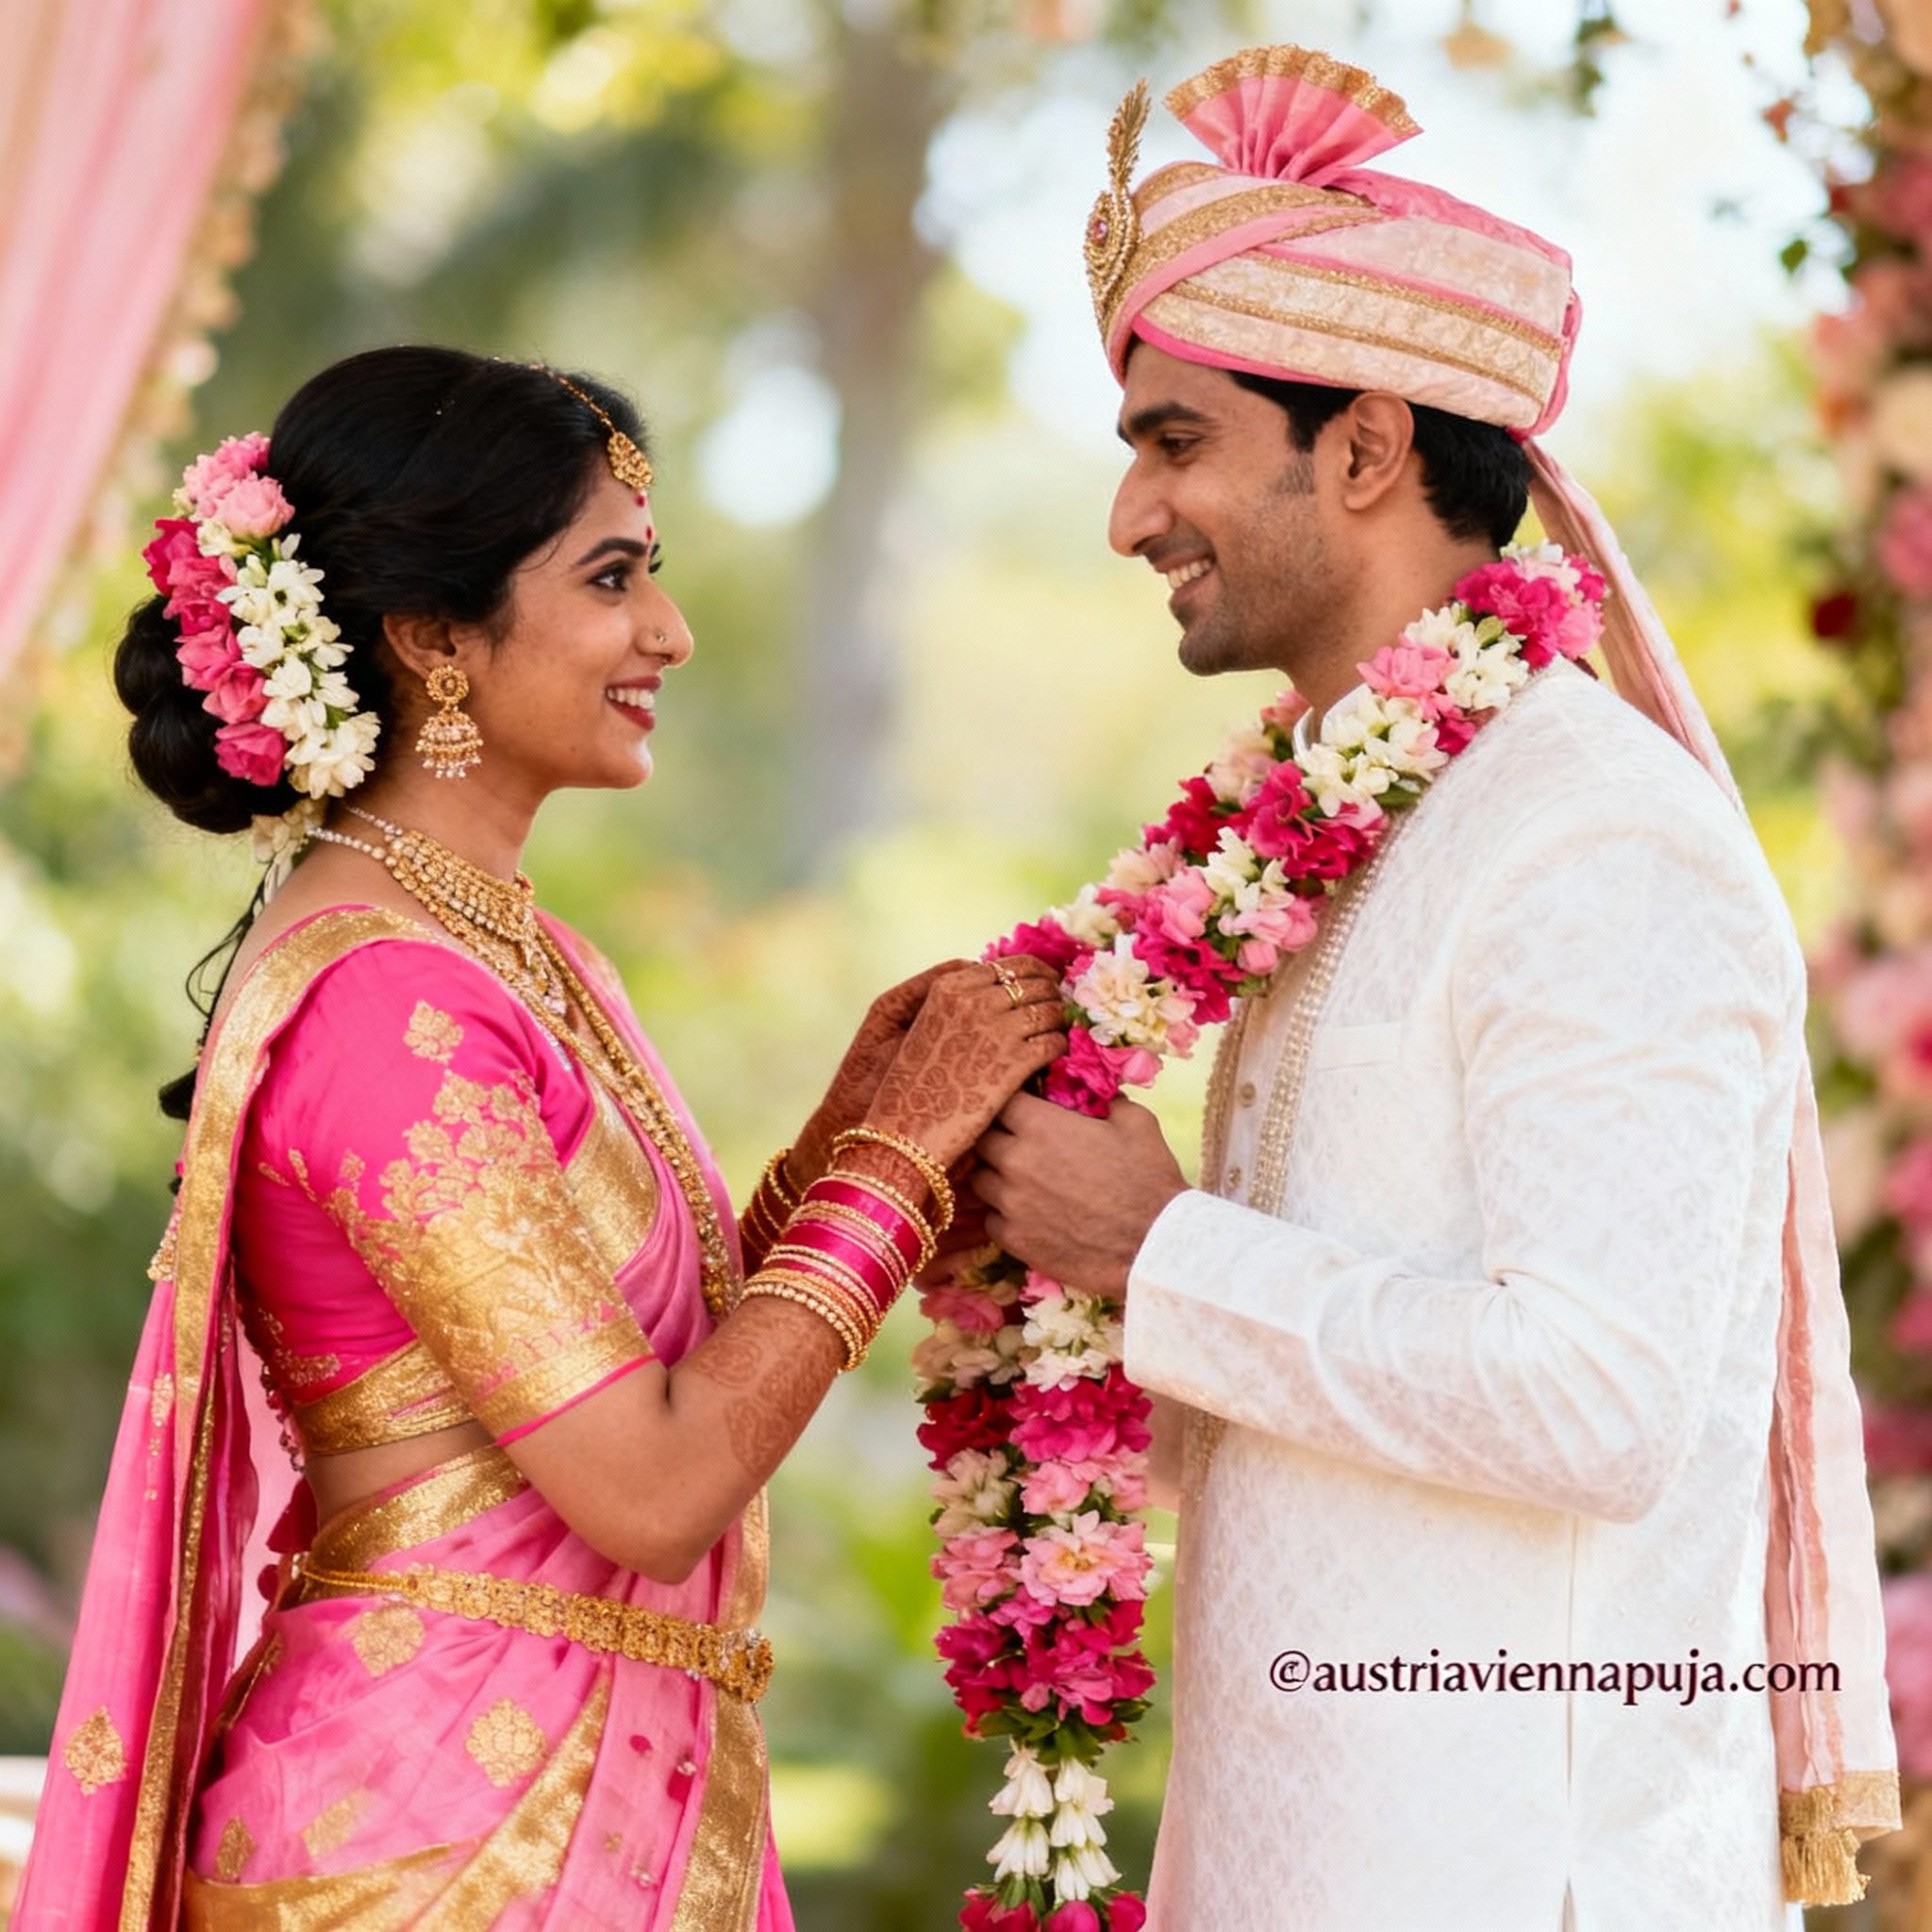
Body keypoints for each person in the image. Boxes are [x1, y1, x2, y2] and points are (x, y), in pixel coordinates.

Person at [970, 44, 1901, 1930]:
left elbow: (1594, 1400)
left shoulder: (1591, 841)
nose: (1129, 517)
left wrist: (1160, 1253)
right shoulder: (1339, 831)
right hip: (1300, 1848)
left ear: (1368, 449)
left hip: (1503, 1867)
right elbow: (1316, 1399)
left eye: (1171, 440)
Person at [12, 345, 1068, 1930]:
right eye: (613, 578)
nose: (670, 633)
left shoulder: (516, 953)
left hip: (564, 1791)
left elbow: (656, 1368)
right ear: (436, 636)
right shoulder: (384, 999)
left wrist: (851, 1138)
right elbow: (647, 1487)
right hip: (437, 1839)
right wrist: (896, 1159)